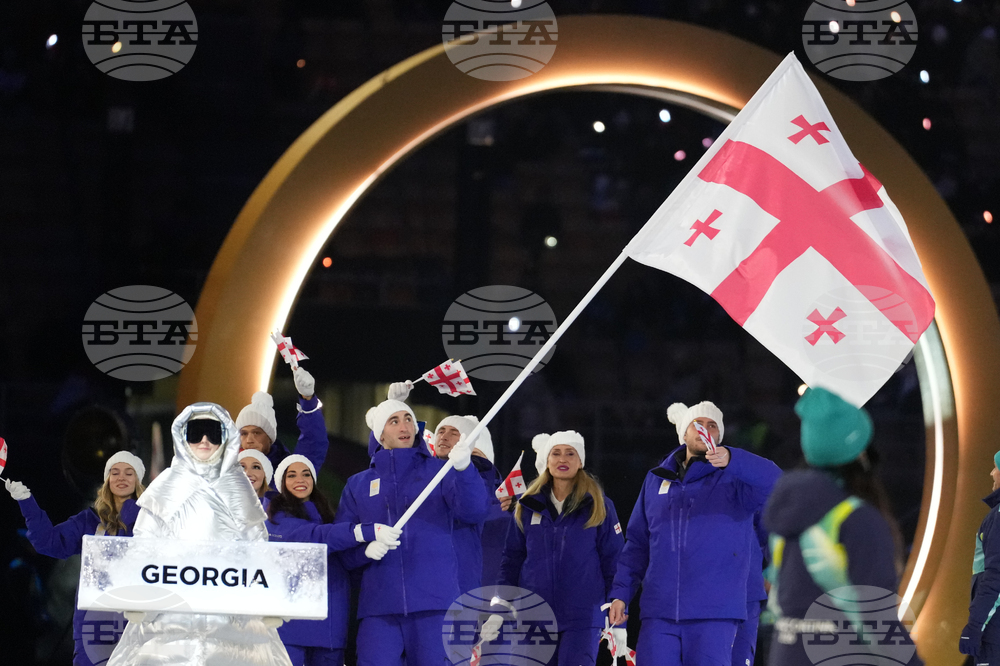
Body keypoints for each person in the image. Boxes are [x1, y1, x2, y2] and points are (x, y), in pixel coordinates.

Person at [108, 403, 291, 666]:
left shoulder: (238, 487)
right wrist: (139, 597)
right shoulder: (166, 486)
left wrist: (270, 600)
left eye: (213, 433)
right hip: (171, 615)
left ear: (225, 437)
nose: (204, 440)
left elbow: (258, 549)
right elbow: (143, 546)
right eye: (195, 432)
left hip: (231, 617)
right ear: (182, 436)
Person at [608, 400, 781, 665]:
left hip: (715, 613)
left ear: (719, 436)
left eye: (712, 425)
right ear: (683, 433)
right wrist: (621, 593)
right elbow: (638, 544)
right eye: (697, 424)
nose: (705, 429)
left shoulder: (737, 479)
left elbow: (776, 480)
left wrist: (733, 459)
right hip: (660, 612)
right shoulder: (656, 479)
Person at [763, 386, 919, 666]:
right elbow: (877, 620)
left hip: (785, 654)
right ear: (860, 453)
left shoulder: (785, 516)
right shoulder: (858, 520)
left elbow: (776, 602)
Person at [334, 398, 489, 666]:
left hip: (435, 603)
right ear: (380, 435)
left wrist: (465, 469)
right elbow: (344, 549)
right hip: (379, 607)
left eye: (408, 419)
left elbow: (473, 511)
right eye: (394, 421)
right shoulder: (358, 485)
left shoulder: (440, 472)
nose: (404, 426)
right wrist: (365, 551)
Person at [493, 430, 625, 666]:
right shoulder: (526, 505)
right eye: (556, 453)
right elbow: (512, 558)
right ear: (547, 460)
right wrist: (501, 603)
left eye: (570, 453)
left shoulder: (599, 505)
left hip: (582, 617)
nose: (562, 459)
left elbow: (614, 559)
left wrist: (618, 602)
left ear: (580, 461)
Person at [5, 451, 145, 666]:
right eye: (115, 472)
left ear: (138, 480)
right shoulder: (89, 521)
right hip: (93, 627)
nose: (121, 478)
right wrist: (27, 502)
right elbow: (49, 542)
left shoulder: (150, 522)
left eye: (129, 472)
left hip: (136, 627)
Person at [267, 454, 401, 666]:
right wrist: (363, 532)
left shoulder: (327, 517)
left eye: (306, 474)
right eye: (291, 475)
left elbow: (339, 562)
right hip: (291, 629)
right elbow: (315, 537)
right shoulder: (276, 520)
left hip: (330, 629)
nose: (300, 479)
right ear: (281, 483)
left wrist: (364, 554)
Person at [430, 414, 511, 593]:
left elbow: (475, 509)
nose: (444, 436)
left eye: (454, 433)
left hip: (471, 584)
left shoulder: (502, 502)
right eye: (441, 431)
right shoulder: (428, 476)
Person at [235, 367, 327, 495]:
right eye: (244, 433)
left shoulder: (289, 473)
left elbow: (313, 444)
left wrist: (309, 401)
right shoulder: (227, 471)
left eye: (257, 433)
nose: (249, 440)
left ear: (270, 437)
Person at [962, 450, 1000, 663]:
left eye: (996, 468)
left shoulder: (998, 517)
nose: (992, 473)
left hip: (995, 633)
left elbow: (995, 576)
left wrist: (975, 626)